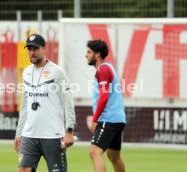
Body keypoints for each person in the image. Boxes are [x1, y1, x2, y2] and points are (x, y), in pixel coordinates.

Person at [14, 33, 76, 172]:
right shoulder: (27, 72)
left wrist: (69, 130)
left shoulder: (57, 72)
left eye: (35, 49)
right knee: (23, 170)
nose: (31, 52)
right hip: (29, 135)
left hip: (52, 136)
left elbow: (68, 101)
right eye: (29, 49)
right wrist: (19, 133)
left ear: (44, 49)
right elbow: (25, 105)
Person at [85, 39, 126, 172]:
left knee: (94, 152)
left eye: (89, 52)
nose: (86, 55)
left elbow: (104, 96)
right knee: (113, 156)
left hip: (108, 120)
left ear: (97, 54)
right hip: (118, 119)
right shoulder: (109, 67)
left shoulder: (103, 70)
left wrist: (95, 119)